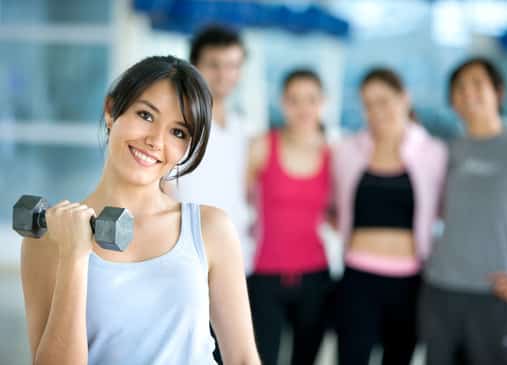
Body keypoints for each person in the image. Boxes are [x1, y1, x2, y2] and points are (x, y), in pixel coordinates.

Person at [20, 56, 260, 365]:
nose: (155, 141)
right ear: (111, 110)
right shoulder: (50, 236)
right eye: (146, 115)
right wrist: (74, 256)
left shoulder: (210, 228)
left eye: (178, 132)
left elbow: (242, 358)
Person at [422, 57, 507, 365]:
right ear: (452, 101)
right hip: (440, 291)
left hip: (495, 294)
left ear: (499, 92)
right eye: (460, 88)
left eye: (478, 84)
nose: (468, 93)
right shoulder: (448, 149)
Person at [331, 68, 447, 365]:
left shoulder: (435, 153)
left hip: (409, 280)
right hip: (358, 276)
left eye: (383, 101)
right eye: (368, 104)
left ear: (404, 98)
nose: (376, 112)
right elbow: (328, 202)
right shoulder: (346, 151)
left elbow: (453, 207)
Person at [246, 69, 332, 365]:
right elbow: (238, 202)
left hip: (315, 277)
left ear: (323, 103)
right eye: (294, 100)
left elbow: (337, 214)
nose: (303, 108)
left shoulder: (332, 154)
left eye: (311, 99)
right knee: (261, 358)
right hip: (265, 275)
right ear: (282, 103)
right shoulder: (261, 146)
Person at [166, 24, 252, 272]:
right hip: (187, 256)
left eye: (233, 65)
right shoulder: (180, 124)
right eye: (214, 65)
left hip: (236, 257)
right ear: (194, 67)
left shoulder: (242, 128)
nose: (224, 74)